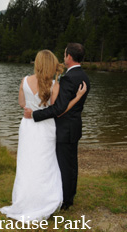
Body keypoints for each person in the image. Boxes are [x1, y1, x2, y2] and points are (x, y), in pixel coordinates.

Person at [0, 49, 86, 222]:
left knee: (27, 163)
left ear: (37, 64)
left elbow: (22, 104)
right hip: (45, 127)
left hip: (28, 126)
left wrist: (31, 108)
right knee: (46, 163)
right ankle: (45, 199)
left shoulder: (24, 80)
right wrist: (77, 97)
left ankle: (24, 199)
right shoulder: (54, 85)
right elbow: (57, 110)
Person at [24, 43, 90, 210]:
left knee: (65, 166)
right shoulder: (84, 76)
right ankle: (69, 196)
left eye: (65, 53)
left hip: (65, 129)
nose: (63, 56)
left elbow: (59, 109)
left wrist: (35, 115)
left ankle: (66, 201)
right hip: (74, 127)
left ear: (68, 57)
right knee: (71, 164)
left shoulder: (69, 78)